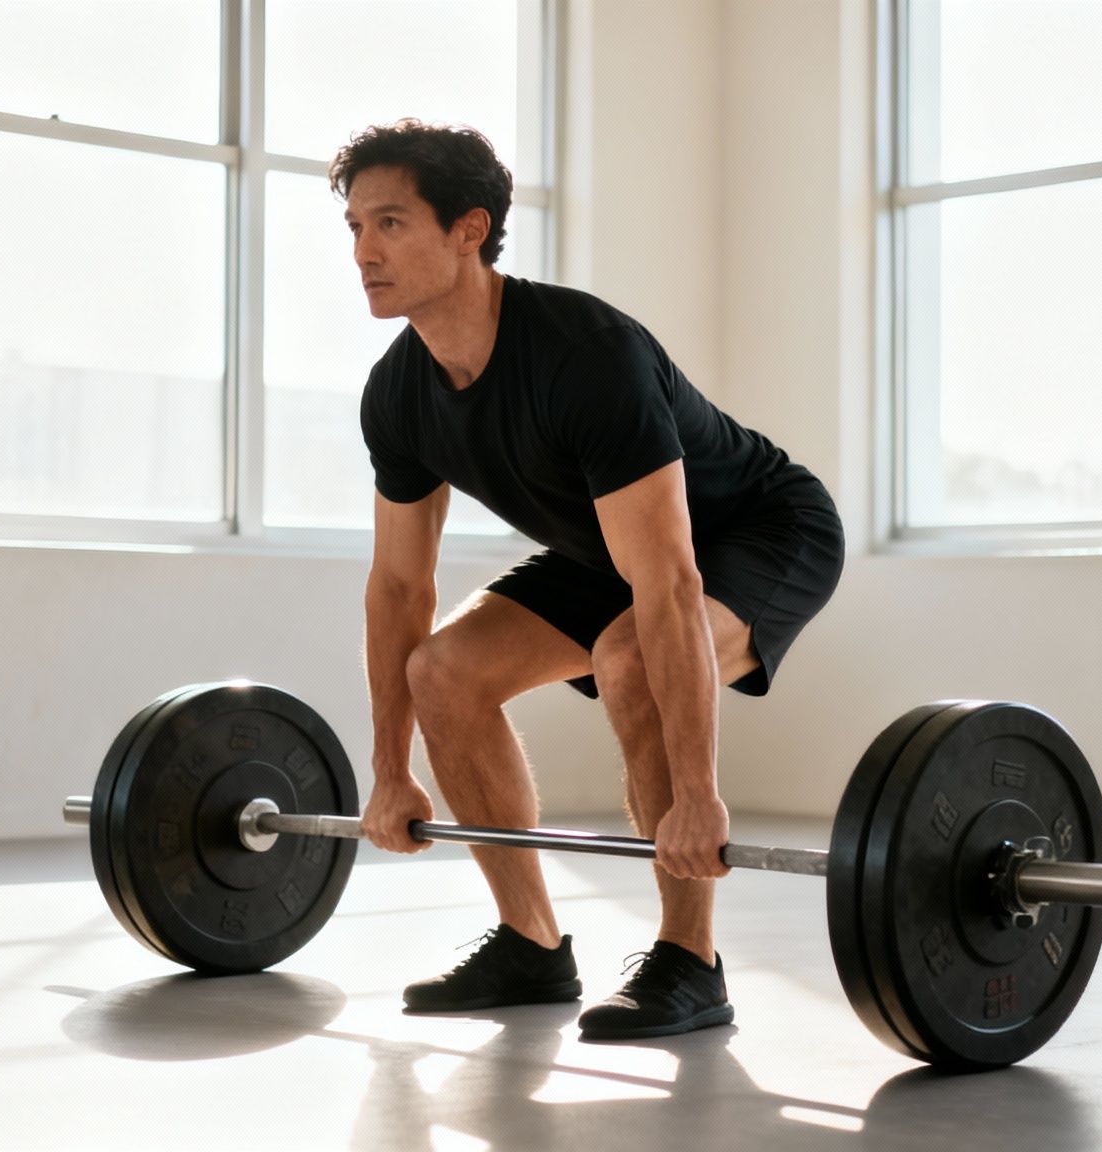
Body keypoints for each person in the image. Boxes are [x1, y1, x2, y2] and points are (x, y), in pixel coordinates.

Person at [335, 119, 844, 1039]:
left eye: (392, 223)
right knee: (441, 673)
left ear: (468, 229)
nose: (365, 251)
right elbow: (399, 590)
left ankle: (691, 961)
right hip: (608, 551)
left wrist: (699, 797)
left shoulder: (584, 354)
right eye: (356, 227)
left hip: (761, 530)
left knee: (631, 658)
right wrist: (389, 771)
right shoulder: (398, 394)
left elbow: (671, 583)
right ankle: (530, 943)